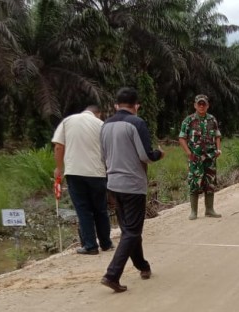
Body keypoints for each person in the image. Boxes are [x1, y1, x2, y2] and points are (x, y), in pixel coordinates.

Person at [99, 87, 165, 293]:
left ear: (116, 105)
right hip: (133, 185)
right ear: (136, 106)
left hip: (113, 184)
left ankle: (142, 266)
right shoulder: (136, 123)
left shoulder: (105, 125)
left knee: (129, 229)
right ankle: (112, 274)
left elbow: (103, 156)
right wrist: (159, 154)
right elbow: (145, 155)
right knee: (132, 231)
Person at [52, 104, 112, 255]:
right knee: (101, 209)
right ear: (98, 114)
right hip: (97, 173)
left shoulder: (68, 121)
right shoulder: (101, 125)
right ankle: (106, 243)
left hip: (75, 172)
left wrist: (59, 168)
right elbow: (108, 149)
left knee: (83, 210)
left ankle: (90, 246)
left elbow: (59, 146)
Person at [178, 94, 223, 220]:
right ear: (195, 105)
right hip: (195, 158)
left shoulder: (212, 119)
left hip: (210, 157)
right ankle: (194, 211)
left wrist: (218, 149)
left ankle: (209, 210)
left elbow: (217, 135)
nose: (201, 106)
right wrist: (189, 153)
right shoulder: (189, 120)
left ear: (207, 106)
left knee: (210, 183)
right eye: (199, 104)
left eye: (204, 104)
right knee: (194, 182)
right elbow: (182, 138)